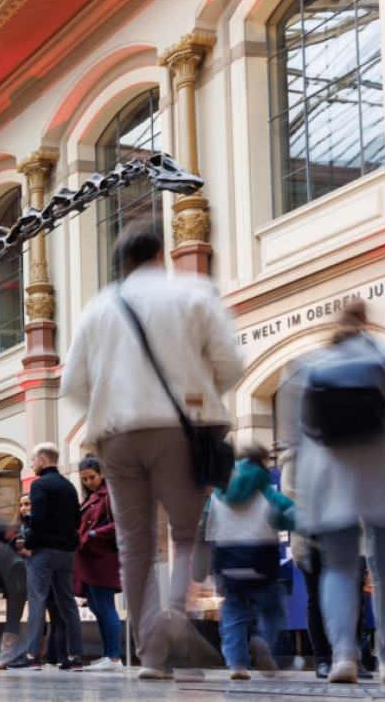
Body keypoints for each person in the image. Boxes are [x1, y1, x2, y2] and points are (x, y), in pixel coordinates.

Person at [62, 222, 244, 679]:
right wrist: (197, 390)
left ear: (123, 263)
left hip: (118, 435)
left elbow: (73, 383)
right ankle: (173, 621)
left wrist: (110, 404)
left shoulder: (99, 306)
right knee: (185, 537)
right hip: (179, 430)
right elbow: (230, 364)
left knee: (135, 547)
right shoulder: (193, 292)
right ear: (161, 255)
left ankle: (151, 656)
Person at [279, 299, 385, 685]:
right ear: (366, 323)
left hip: (330, 470)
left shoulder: (307, 367)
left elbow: (293, 438)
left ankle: (343, 657)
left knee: (338, 567)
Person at [199, 444, 295, 680]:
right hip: (261, 560)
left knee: (233, 610)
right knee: (272, 608)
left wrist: (208, 569)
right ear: (262, 462)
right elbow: (288, 516)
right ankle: (262, 639)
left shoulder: (219, 492)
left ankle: (237, 664)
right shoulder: (265, 489)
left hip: (228, 560)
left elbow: (207, 529)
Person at [7, 442, 83, 671]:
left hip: (44, 552)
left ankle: (32, 656)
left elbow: (37, 520)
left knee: (37, 601)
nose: (31, 465)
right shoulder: (70, 487)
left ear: (42, 460)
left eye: (32, 460)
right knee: (68, 603)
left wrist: (29, 545)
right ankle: (75, 658)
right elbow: (77, 522)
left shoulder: (40, 486)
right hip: (66, 553)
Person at [74, 456, 122, 672]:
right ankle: (107, 655)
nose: (88, 482)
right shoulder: (92, 498)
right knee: (97, 607)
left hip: (102, 559)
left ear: (102, 473)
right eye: (84, 479)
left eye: (91, 477)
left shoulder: (110, 495)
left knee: (104, 606)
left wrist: (93, 534)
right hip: (90, 560)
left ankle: (113, 657)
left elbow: (120, 525)